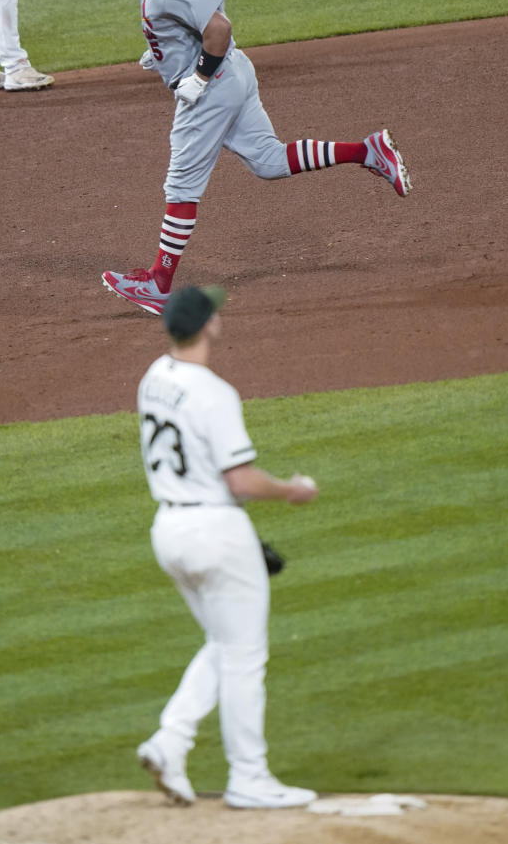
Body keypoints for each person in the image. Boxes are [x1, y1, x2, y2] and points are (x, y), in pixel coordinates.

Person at [102, 0, 413, 315]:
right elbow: (204, 16)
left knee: (181, 186)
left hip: (211, 87)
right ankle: (367, 150)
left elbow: (218, 29)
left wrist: (195, 77)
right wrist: (163, 52)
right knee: (268, 160)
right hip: (235, 71)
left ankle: (159, 283)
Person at [136, 284, 319, 808]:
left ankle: (171, 741)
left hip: (169, 530)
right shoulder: (214, 392)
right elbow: (239, 480)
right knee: (243, 653)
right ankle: (250, 778)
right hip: (215, 530)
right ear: (208, 325)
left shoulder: (153, 378)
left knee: (224, 640)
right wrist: (292, 490)